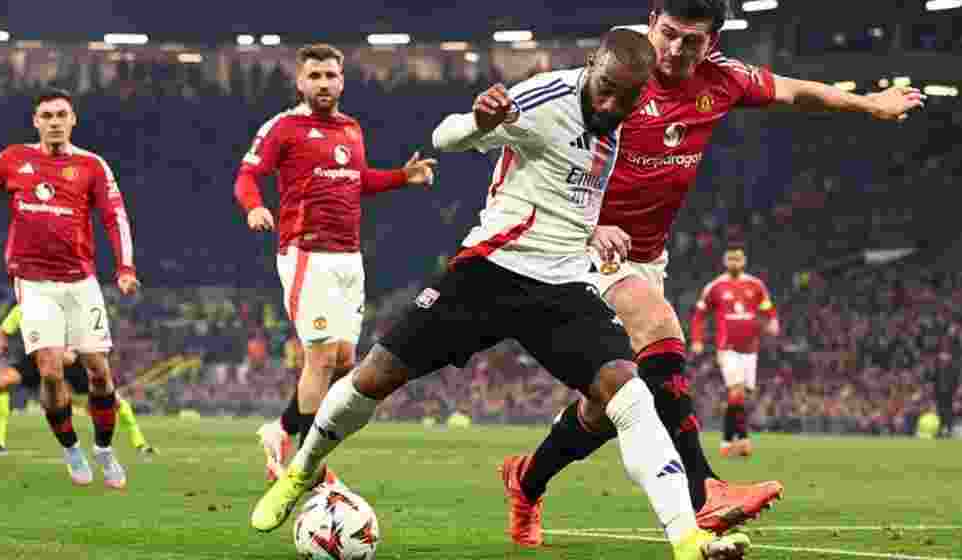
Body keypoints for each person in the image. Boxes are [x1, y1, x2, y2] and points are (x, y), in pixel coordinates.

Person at [253, 29, 751, 560]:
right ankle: (301, 471)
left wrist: (593, 228)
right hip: (489, 271)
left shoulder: (629, 120)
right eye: (605, 89)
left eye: (625, 97)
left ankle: (686, 538)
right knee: (373, 376)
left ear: (640, 94)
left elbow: (571, 187)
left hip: (563, 284)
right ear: (591, 66)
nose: (610, 105)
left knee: (630, 396)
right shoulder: (547, 97)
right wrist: (479, 121)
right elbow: (445, 137)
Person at [504, 0, 926, 544]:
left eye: (692, 41)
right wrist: (585, 225)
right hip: (577, 243)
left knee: (607, 407)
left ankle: (527, 480)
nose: (676, 49)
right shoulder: (615, 73)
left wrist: (869, 104)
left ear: (713, 42)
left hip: (644, 255)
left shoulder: (723, 78)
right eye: (669, 34)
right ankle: (704, 491)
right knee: (658, 326)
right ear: (651, 22)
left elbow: (794, 91)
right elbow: (541, 152)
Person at [235, 44, 437, 484]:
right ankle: (308, 469)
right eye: (315, 76)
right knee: (322, 357)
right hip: (307, 253)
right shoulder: (284, 127)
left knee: (344, 361)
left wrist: (403, 177)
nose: (323, 83)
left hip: (349, 256)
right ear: (300, 82)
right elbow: (247, 175)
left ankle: (280, 430)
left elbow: (356, 180)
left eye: (331, 75)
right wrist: (254, 207)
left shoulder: (351, 128)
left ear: (342, 81)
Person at [0, 88, 141, 489]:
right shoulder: (14, 158)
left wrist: (125, 268)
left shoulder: (92, 166)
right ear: (36, 122)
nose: (54, 122)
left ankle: (104, 448)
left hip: (81, 282)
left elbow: (114, 216)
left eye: (61, 114)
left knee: (99, 372)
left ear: (73, 120)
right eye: (47, 116)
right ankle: (71, 448)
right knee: (49, 372)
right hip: (34, 283)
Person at [0, 304, 155, 457]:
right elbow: (3, 330)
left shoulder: (68, 303)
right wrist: (0, 339)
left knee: (112, 400)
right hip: (38, 359)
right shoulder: (25, 306)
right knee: (0, 382)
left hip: (70, 363)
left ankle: (140, 443)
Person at [690, 246, 779, 457]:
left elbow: (768, 308)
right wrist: (697, 340)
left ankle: (731, 441)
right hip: (727, 348)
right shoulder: (715, 287)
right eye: (731, 259)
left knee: (741, 397)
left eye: (737, 259)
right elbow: (699, 315)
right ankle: (739, 440)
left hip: (751, 349)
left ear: (744, 261)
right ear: (725, 261)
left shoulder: (756, 285)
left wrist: (773, 321)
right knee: (736, 391)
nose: (734, 263)